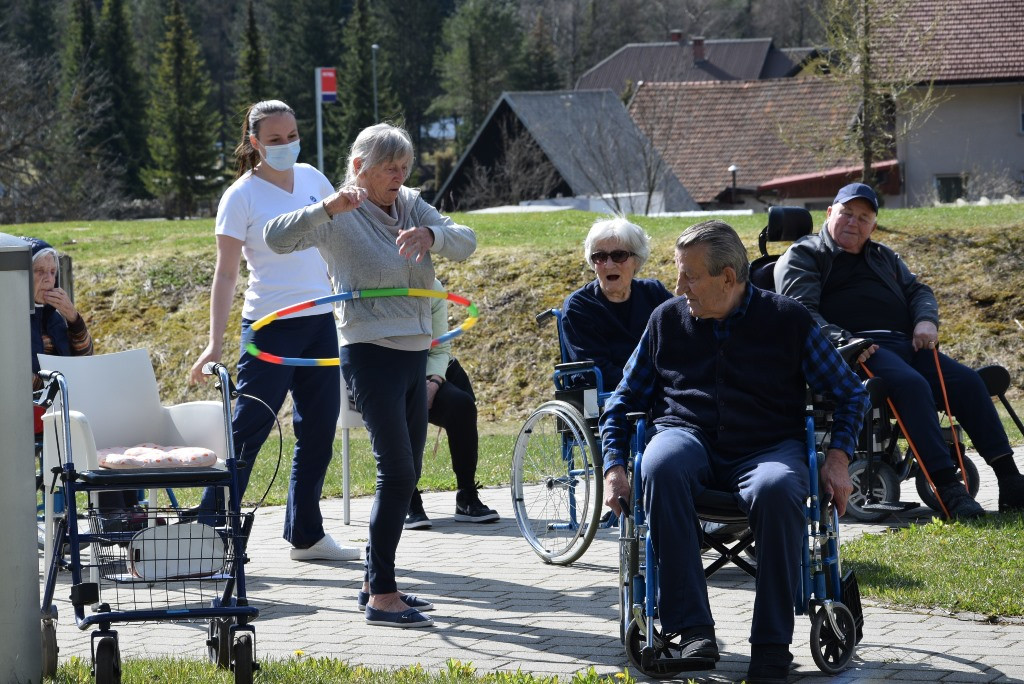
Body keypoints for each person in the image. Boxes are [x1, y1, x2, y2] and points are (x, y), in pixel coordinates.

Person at [600, 220, 868, 683]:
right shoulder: (666, 319)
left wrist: (838, 458)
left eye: (690, 276)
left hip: (768, 445)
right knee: (660, 466)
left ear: (727, 277)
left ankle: (771, 645)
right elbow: (621, 401)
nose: (678, 287)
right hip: (687, 435)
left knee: (778, 487)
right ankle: (692, 632)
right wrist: (614, 468)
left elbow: (850, 393)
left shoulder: (787, 319)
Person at [264, 122, 477, 629]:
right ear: (360, 167)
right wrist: (327, 208)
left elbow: (465, 241)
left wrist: (432, 235)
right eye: (389, 168)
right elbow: (276, 238)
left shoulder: (411, 204)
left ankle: (374, 581)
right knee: (396, 472)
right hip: (370, 353)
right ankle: (382, 595)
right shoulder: (340, 213)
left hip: (415, 351)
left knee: (409, 472)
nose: (399, 177)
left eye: (404, 167)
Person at [774, 182, 1024, 518]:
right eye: (847, 213)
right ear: (830, 212)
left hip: (907, 344)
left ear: (873, 226)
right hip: (858, 350)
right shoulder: (805, 254)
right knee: (911, 385)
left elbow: (919, 291)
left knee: (967, 382)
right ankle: (949, 490)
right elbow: (800, 311)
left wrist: (926, 321)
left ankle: (1010, 480)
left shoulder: (884, 257)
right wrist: (844, 341)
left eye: (864, 217)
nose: (854, 222)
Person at [188, 100, 359, 562]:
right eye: (275, 139)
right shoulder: (240, 196)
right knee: (248, 430)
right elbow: (226, 274)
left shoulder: (313, 179)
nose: (287, 145)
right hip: (269, 327)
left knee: (319, 429)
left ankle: (307, 536)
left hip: (319, 321)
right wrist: (214, 343)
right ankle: (208, 535)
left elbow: (342, 240)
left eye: (292, 136)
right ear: (255, 142)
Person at [26, 236, 139, 520]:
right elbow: (16, 374)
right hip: (33, 407)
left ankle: (128, 507)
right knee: (82, 421)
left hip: (63, 398)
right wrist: (58, 386)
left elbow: (85, 357)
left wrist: (74, 317)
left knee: (115, 415)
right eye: (39, 272)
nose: (48, 279)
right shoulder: (11, 315)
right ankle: (112, 512)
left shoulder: (54, 316)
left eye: (52, 272)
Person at [404, 279, 499, 530]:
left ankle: (466, 495)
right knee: (403, 406)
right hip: (389, 372)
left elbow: (440, 347)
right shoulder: (375, 282)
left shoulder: (431, 287)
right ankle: (406, 496)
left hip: (430, 369)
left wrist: (433, 382)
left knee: (462, 405)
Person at [561, 217, 673, 393]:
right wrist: (653, 383)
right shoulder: (579, 306)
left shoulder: (654, 293)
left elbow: (684, 340)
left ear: (636, 260)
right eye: (599, 257)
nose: (608, 265)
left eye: (619, 255)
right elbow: (596, 370)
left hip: (660, 386)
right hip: (610, 394)